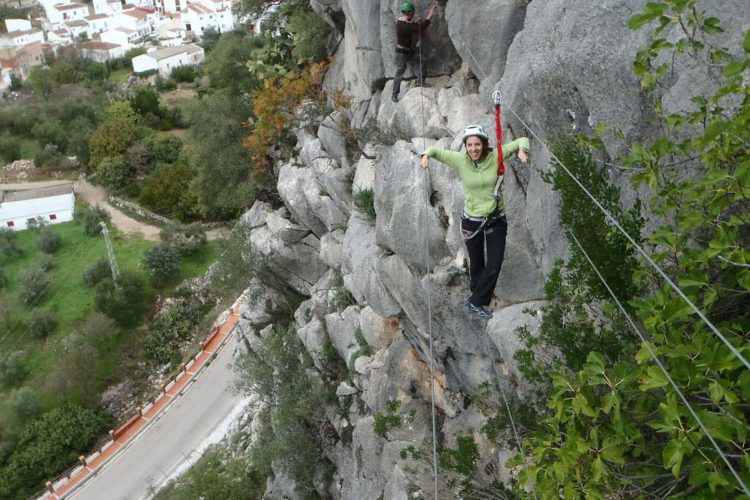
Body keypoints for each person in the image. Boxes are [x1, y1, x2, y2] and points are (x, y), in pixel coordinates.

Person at [420, 125, 530, 319]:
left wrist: (522, 150)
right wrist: (426, 155)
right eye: (469, 145)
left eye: (477, 144)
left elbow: (521, 140)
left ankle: (474, 302)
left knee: (494, 263)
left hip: (496, 218)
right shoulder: (461, 161)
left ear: (484, 144)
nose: (473, 149)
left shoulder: (496, 156)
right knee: (477, 262)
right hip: (472, 221)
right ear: (465, 146)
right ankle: (479, 296)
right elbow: (436, 151)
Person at [392, 2, 437, 103]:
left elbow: (412, 25)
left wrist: (415, 22)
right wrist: (430, 14)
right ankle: (394, 94)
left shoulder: (401, 21)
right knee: (399, 73)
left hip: (408, 52)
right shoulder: (405, 25)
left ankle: (420, 81)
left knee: (423, 60)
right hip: (402, 54)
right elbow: (421, 27)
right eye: (412, 12)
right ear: (410, 12)